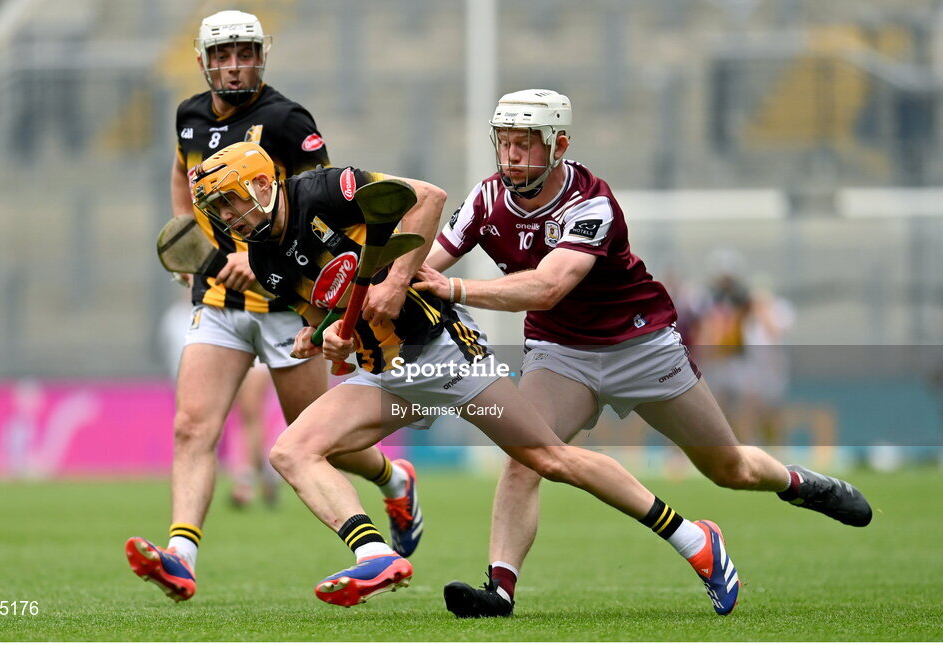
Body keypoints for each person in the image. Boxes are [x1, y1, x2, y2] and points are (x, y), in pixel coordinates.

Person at [189, 140, 741, 614]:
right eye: (220, 210)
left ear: (261, 183)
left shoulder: (326, 189)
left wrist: (397, 279)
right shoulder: (261, 259)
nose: (230, 217)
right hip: (387, 372)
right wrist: (326, 335)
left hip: (445, 351)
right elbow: (322, 314)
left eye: (231, 201)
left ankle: (695, 539)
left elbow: (427, 197)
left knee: (547, 458)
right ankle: (374, 556)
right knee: (292, 451)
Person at [412, 89, 873, 618]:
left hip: (640, 346)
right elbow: (427, 264)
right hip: (561, 354)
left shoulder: (592, 203)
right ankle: (499, 590)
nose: (512, 156)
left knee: (729, 469)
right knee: (526, 458)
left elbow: (545, 288)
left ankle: (799, 484)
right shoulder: (485, 199)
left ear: (558, 144)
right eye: (505, 143)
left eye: (525, 145)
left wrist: (453, 291)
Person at [124, 10, 422, 603]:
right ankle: (181, 556)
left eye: (245, 53)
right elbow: (183, 180)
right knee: (192, 427)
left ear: (261, 55)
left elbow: (321, 212)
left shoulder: (287, 120)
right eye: (223, 54)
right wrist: (191, 242)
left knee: (321, 441)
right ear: (204, 59)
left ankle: (394, 477)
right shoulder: (188, 115)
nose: (234, 64)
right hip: (218, 298)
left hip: (289, 303)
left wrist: (261, 261)